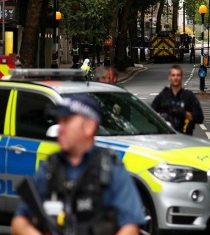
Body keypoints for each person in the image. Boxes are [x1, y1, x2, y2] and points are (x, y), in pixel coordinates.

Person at [11, 94, 145, 235]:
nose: (60, 128)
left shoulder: (110, 169)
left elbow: (130, 227)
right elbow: (19, 223)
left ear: (89, 126)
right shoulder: (50, 168)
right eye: (59, 121)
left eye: (67, 121)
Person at [151, 64, 204, 135]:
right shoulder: (163, 96)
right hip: (167, 138)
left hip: (185, 137)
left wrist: (184, 113)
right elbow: (150, 116)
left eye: (178, 75)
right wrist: (162, 115)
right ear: (169, 77)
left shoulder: (189, 96)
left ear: (182, 77)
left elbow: (199, 118)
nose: (176, 78)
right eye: (173, 75)